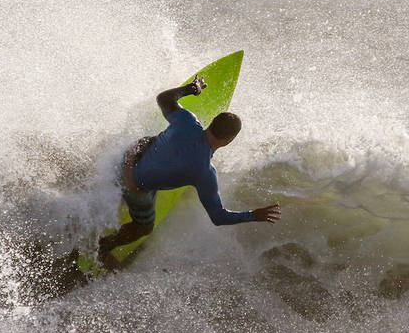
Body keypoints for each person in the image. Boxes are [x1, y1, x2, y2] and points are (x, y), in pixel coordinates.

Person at [98, 74, 281, 268]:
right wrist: (253, 215)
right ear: (228, 141)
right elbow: (218, 217)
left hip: (125, 159)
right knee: (144, 227)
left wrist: (191, 89)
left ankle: (129, 169)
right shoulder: (204, 173)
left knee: (150, 140)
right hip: (135, 188)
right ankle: (103, 247)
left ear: (211, 123)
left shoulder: (186, 121)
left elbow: (163, 99)